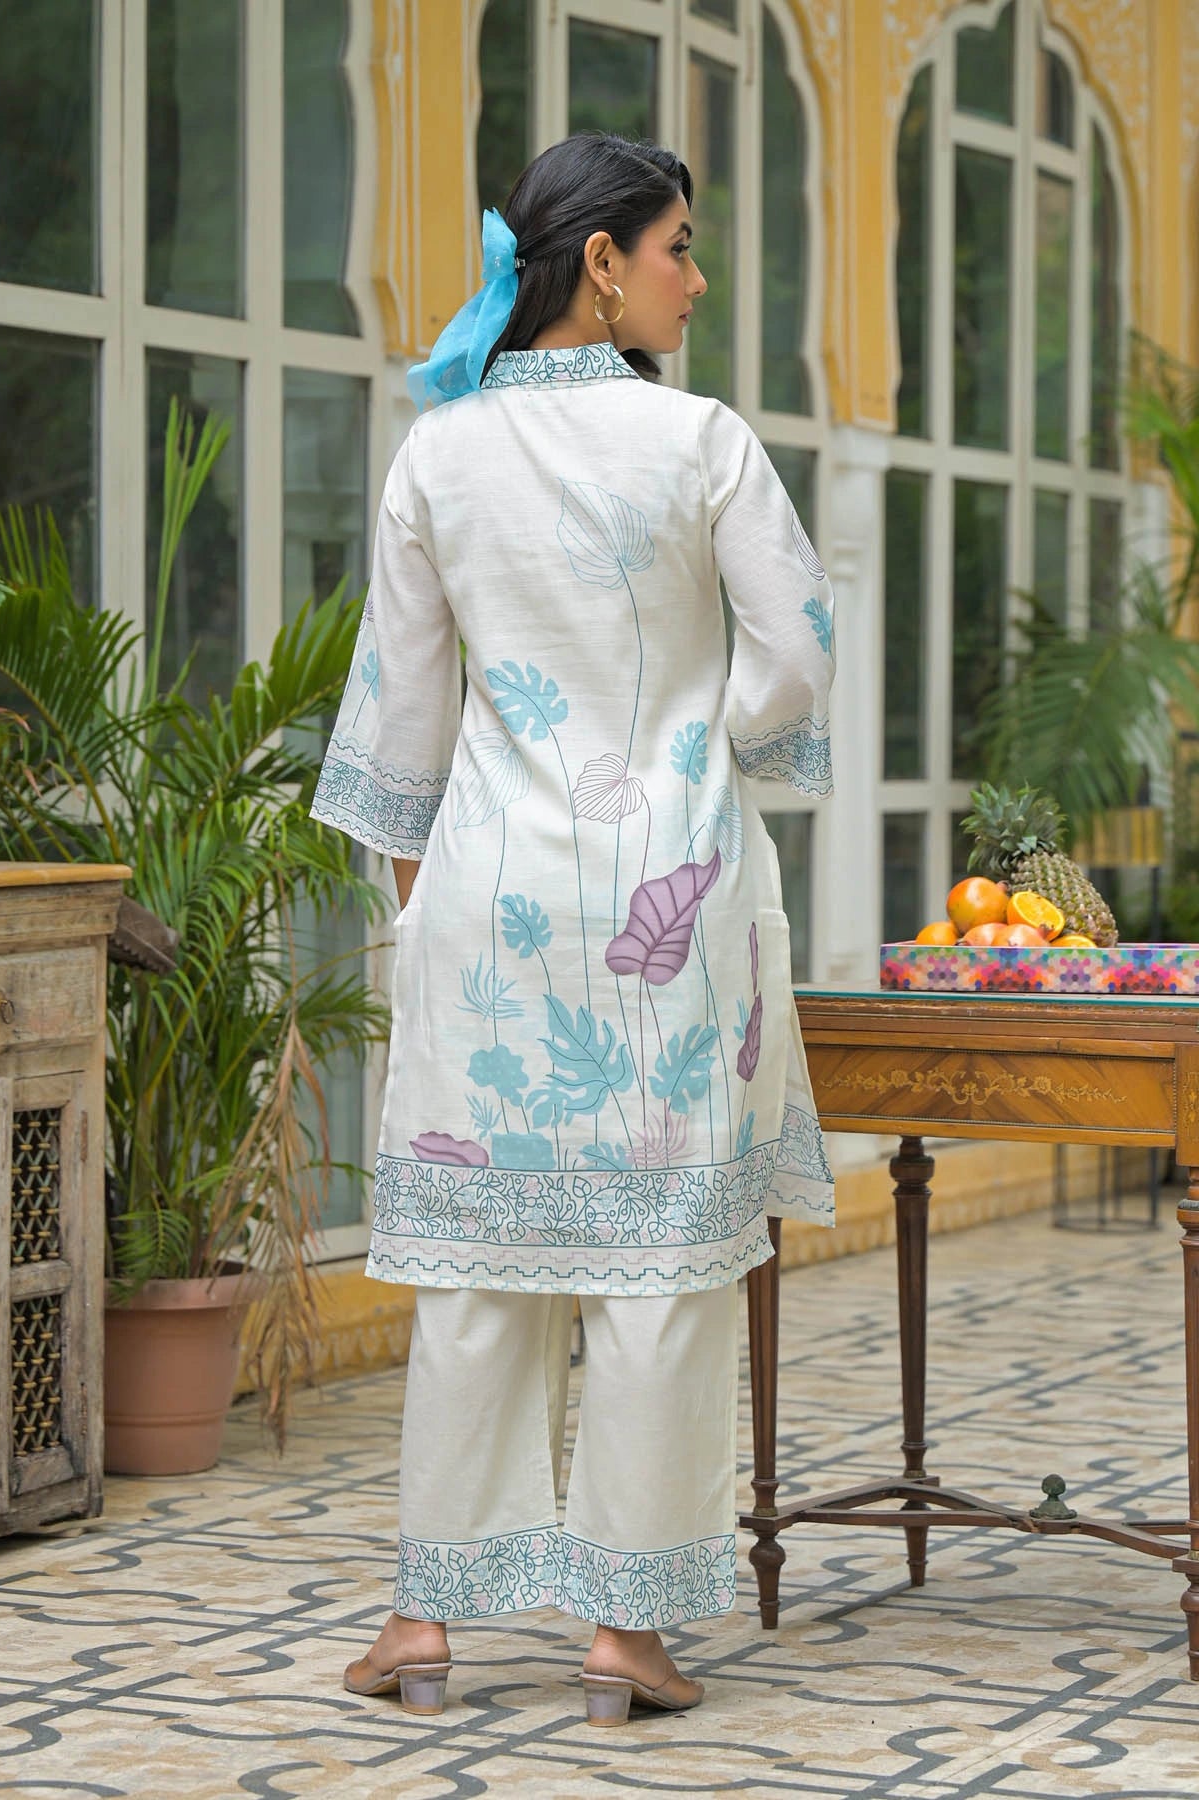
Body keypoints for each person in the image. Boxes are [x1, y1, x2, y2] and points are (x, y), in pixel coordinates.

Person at [312, 132, 836, 1726]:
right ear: (602, 263)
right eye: (681, 243)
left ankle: (426, 1622)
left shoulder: (436, 458)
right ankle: (626, 1635)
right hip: (660, 911)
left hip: (481, 908)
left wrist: (423, 912)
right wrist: (711, 762)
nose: (697, 273)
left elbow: (400, 719)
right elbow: (799, 646)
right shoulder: (700, 444)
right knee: (660, 1269)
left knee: (481, 1266)